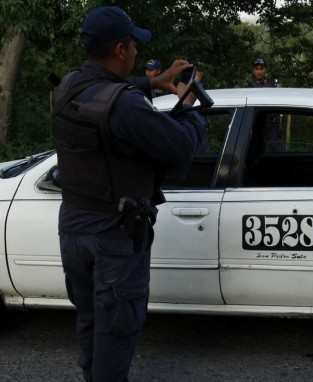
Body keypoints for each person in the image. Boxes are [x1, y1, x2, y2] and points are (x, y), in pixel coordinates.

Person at [51, 6, 203, 382]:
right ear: (121, 49)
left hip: (74, 228)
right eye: (133, 44)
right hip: (115, 236)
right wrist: (189, 107)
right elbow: (180, 147)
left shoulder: (68, 85)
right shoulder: (125, 106)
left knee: (90, 317)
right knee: (117, 328)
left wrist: (154, 82)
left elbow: (105, 91)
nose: (136, 51)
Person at [242, 58, 282, 150]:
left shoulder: (272, 84)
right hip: (253, 121)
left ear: (266, 70)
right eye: (257, 69)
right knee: (252, 150)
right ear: (253, 70)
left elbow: (278, 102)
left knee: (277, 149)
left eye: (261, 69)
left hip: (270, 122)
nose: (259, 72)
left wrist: (279, 117)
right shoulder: (248, 85)